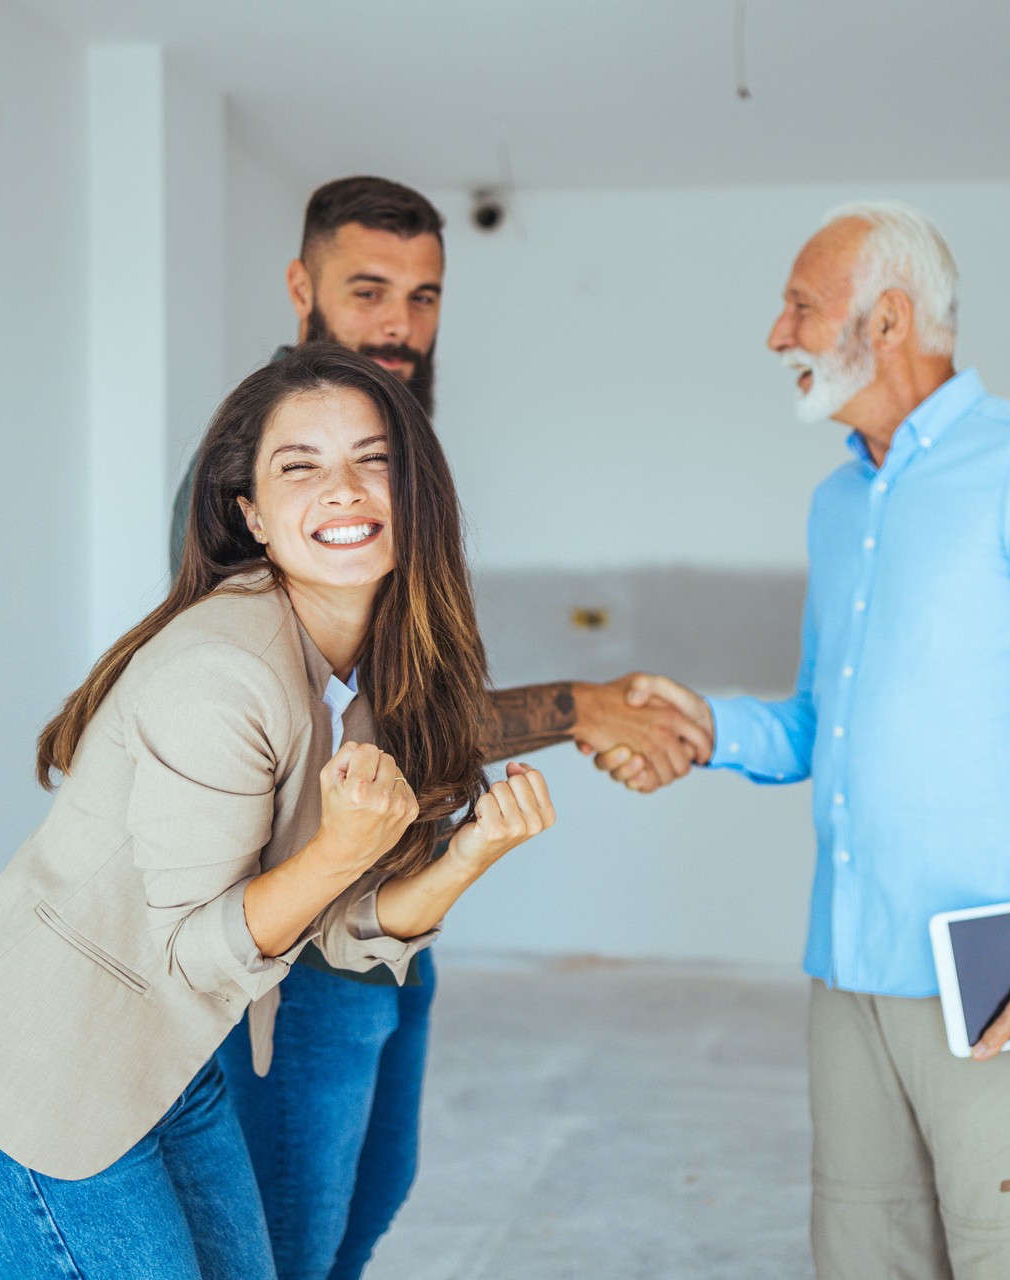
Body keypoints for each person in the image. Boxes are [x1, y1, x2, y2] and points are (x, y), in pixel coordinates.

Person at [0, 343, 560, 1280]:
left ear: (418, 492)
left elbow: (338, 934)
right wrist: (340, 852)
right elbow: (194, 955)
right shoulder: (221, 670)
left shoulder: (371, 672)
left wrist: (467, 857)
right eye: (301, 467)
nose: (343, 489)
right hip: (43, 1077)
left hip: (170, 1069)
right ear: (251, 514)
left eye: (372, 459)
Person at [595, 203, 1010, 1279]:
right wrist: (704, 727)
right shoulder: (836, 503)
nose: (777, 335)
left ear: (887, 319)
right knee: (862, 1257)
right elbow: (821, 719)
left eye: (801, 306)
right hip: (849, 968)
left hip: (1001, 973)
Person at [184, 175, 707, 1280]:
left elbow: (403, 712)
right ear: (300, 287)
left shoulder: (405, 455)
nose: (400, 325)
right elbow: (339, 738)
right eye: (368, 290)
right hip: (303, 950)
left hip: (396, 920)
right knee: (289, 1244)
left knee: (367, 1207)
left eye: (424, 296)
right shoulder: (261, 475)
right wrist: (578, 706)